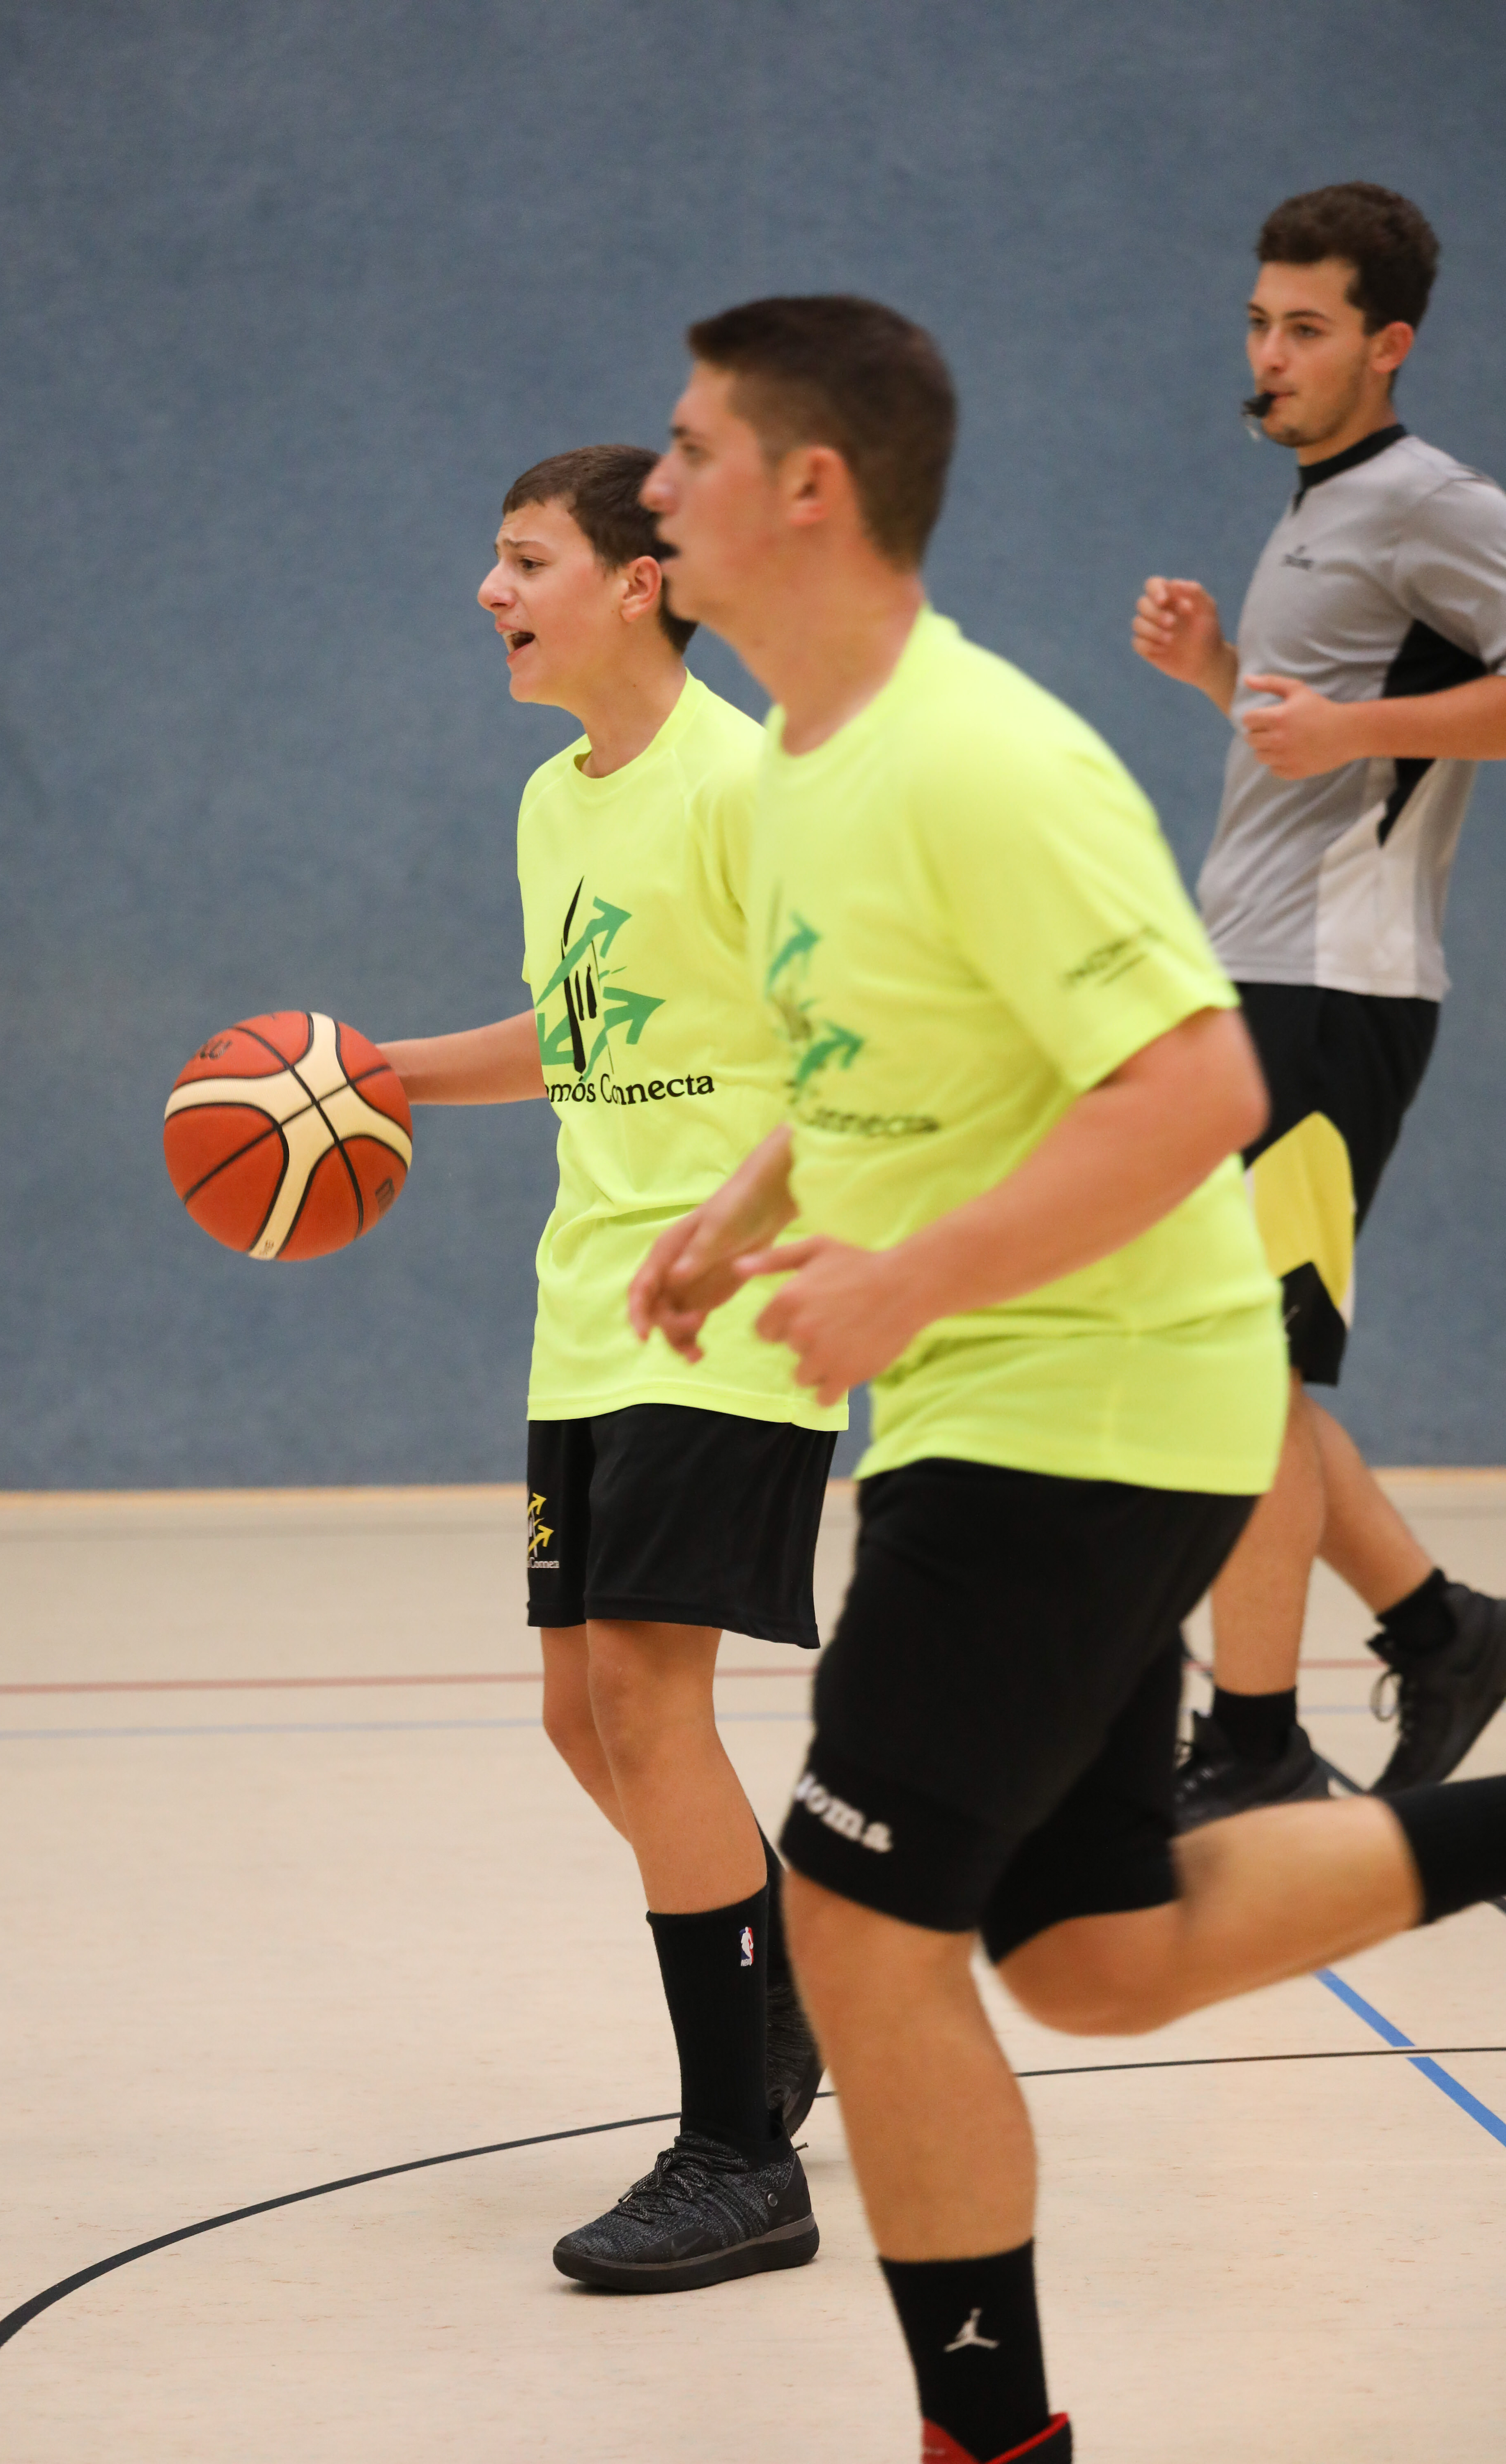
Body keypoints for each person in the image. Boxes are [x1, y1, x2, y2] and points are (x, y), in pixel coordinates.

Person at [630, 292, 1506, 2464]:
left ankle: (994, 2446)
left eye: (689, 449)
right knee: (1092, 1953)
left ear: (807, 487)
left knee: (858, 1925)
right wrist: (746, 1209)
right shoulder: (799, 769)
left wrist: (909, 1281)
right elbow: (883, 1045)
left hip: (1082, 1399)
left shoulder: (981, 757)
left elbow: (1199, 1083)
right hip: (1027, 1396)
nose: (654, 485)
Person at [381, 443, 844, 2293]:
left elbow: (864, 1053)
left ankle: (738, 2153)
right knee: (583, 1718)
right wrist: (375, 1073)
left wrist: (741, 1225)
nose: (490, 594)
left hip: (726, 1307)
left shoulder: (749, 784)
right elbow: (583, 1037)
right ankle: (788, 1976)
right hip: (587, 1306)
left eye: (524, 560)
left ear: (637, 583)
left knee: (653, 1706)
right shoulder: (551, 804)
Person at [1133, 182, 1506, 1826]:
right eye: (1257, 323)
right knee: (1236, 1358)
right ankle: (1440, 1635)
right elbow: (1326, 742)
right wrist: (1224, 678)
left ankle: (1261, 1739)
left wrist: (1356, 734)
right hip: (1253, 977)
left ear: (1388, 344)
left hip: (1333, 991)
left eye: (1305, 328)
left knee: (1239, 1371)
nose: (1270, 355)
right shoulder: (1319, 507)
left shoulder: (1430, 503)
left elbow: (1368, 743)